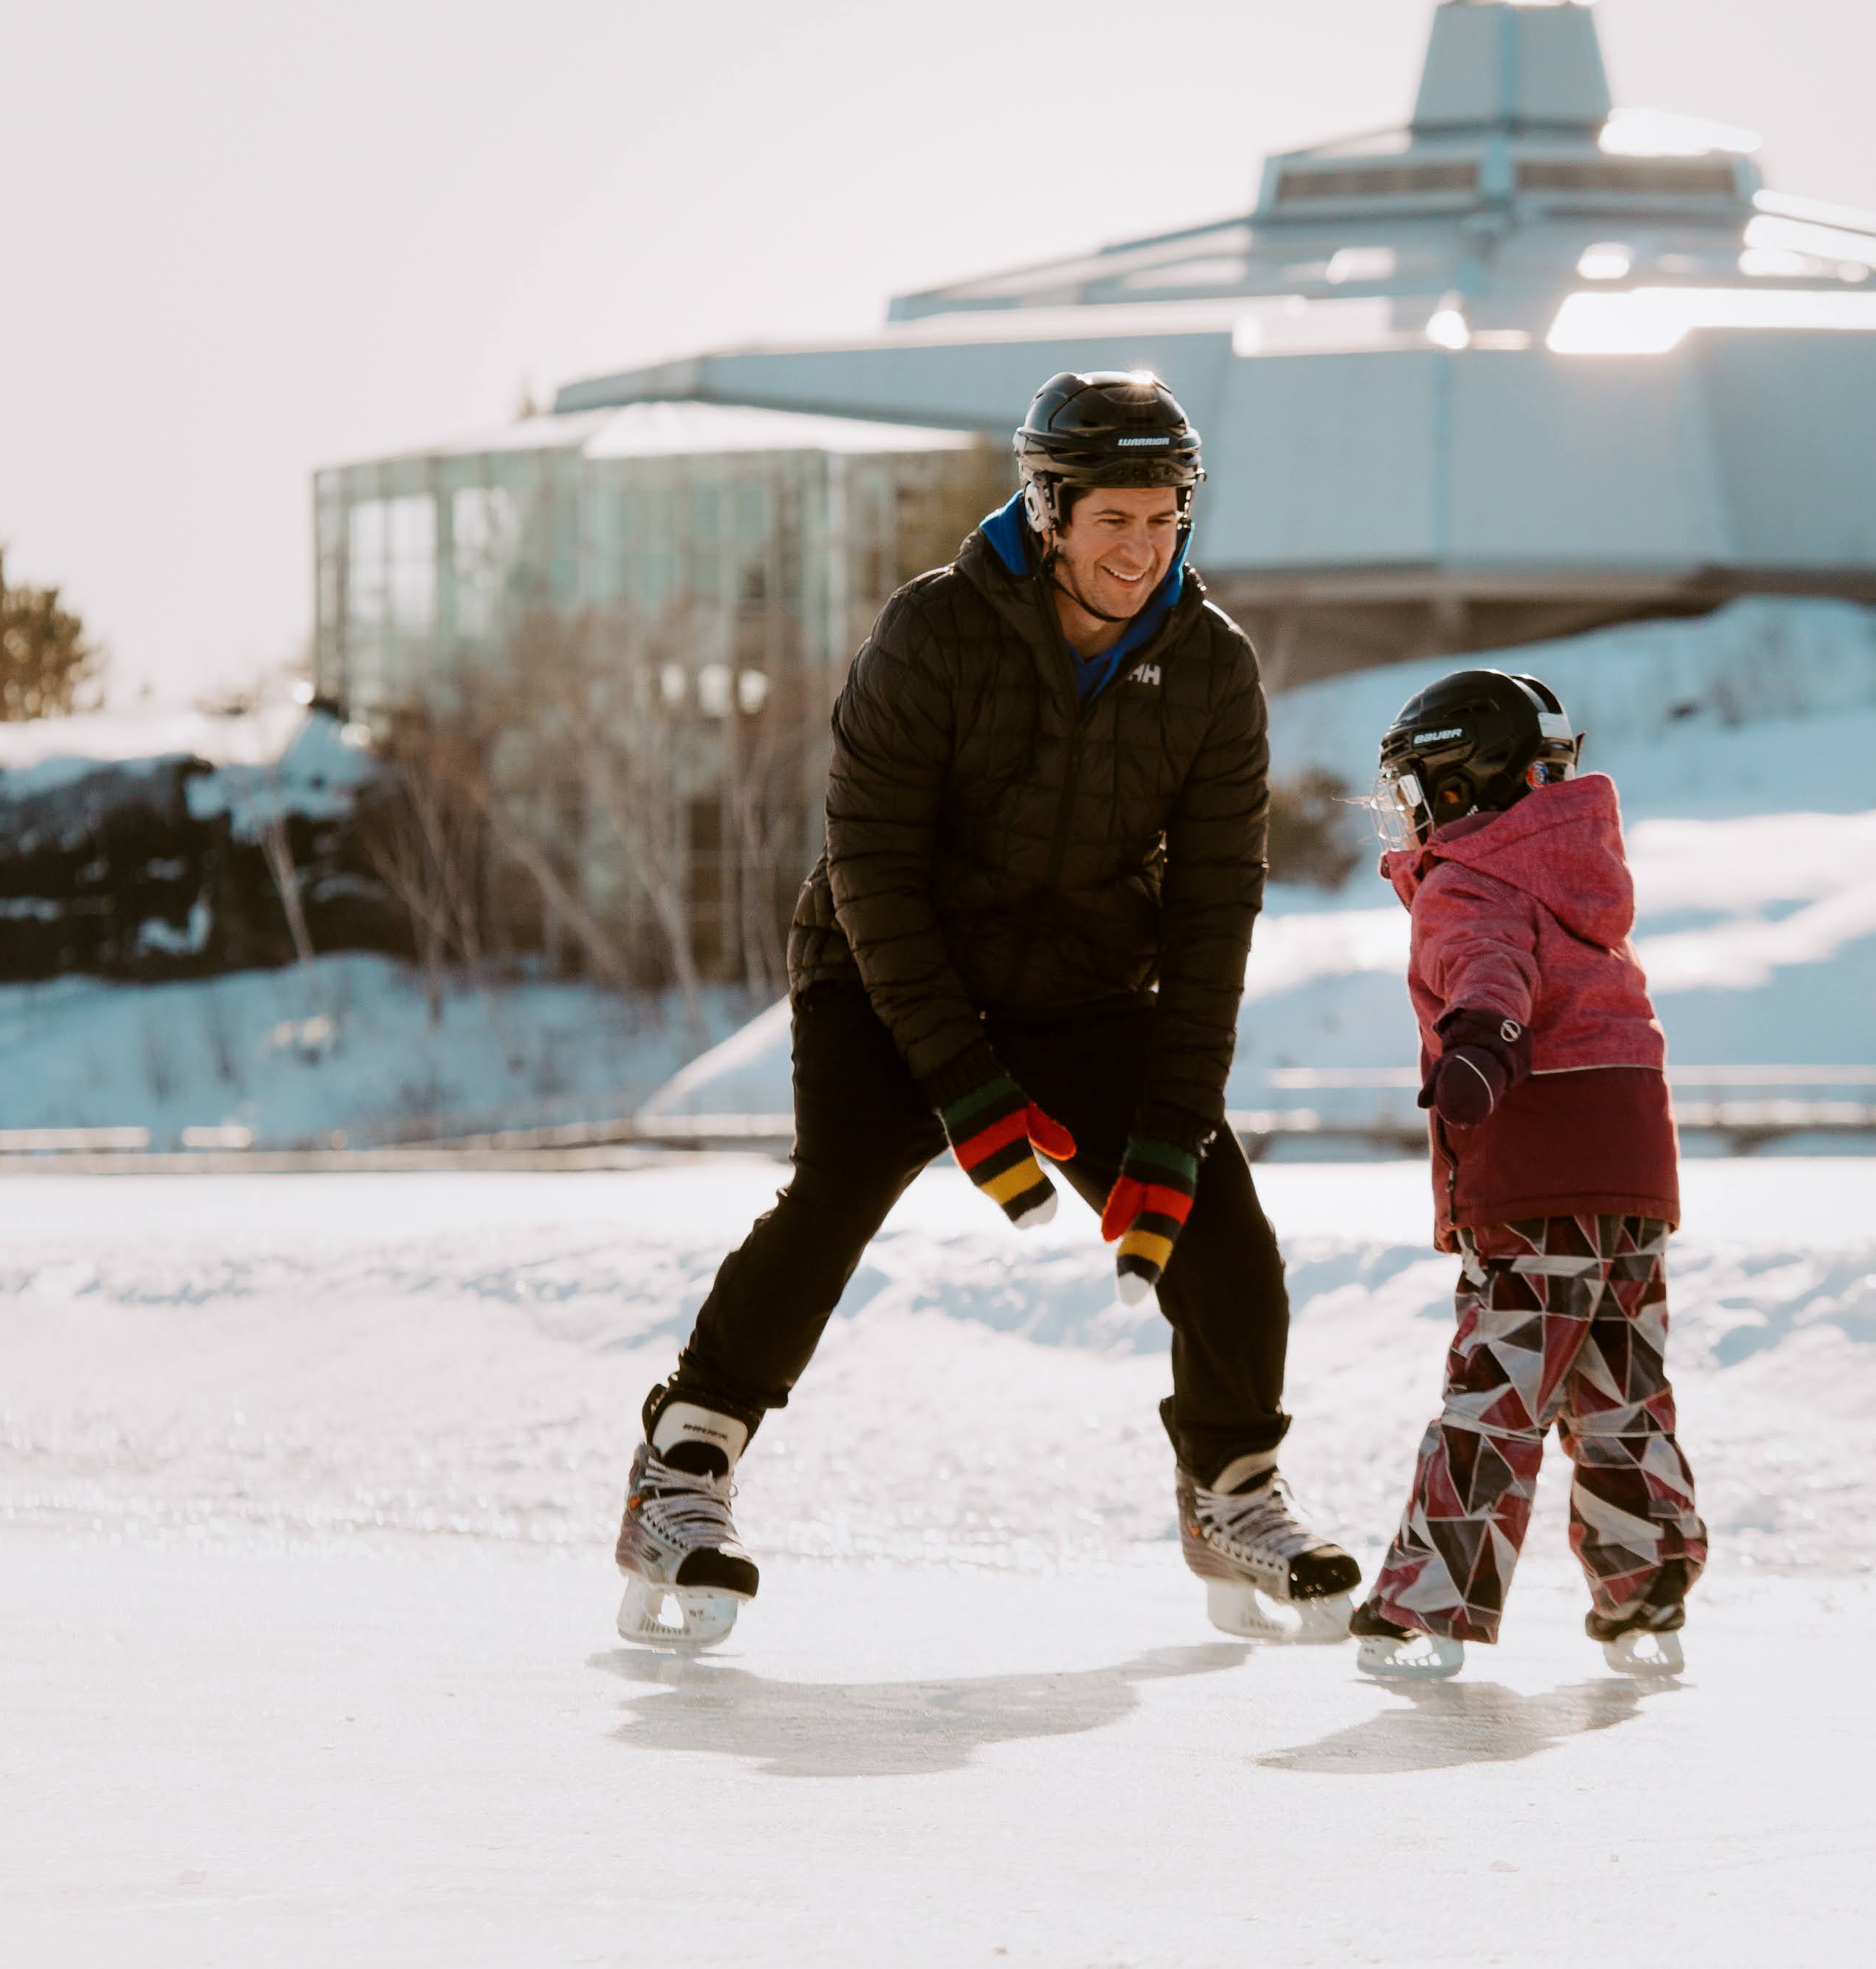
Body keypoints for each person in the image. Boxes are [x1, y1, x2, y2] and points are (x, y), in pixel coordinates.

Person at [613, 371, 1359, 1648]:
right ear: (1050, 508)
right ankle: (684, 1467)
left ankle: (1231, 1486)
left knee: (1222, 1229)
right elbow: (872, 871)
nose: (1142, 548)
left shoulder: (1211, 671)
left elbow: (1214, 912)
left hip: (1080, 990)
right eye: (1114, 518)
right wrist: (964, 1091)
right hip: (885, 970)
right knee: (838, 1192)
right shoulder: (936, 633)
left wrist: (1175, 1131)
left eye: (1165, 518)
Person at [1346, 669, 1706, 1681]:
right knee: (1617, 1388)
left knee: (1497, 1390)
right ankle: (1646, 1584)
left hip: (1539, 1169)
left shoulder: (1472, 877)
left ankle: (1431, 1603)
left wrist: (1480, 1051)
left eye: (1422, 783)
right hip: (1631, 1165)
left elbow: (1491, 975)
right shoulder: (1580, 872)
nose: (1414, 807)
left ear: (1464, 785)